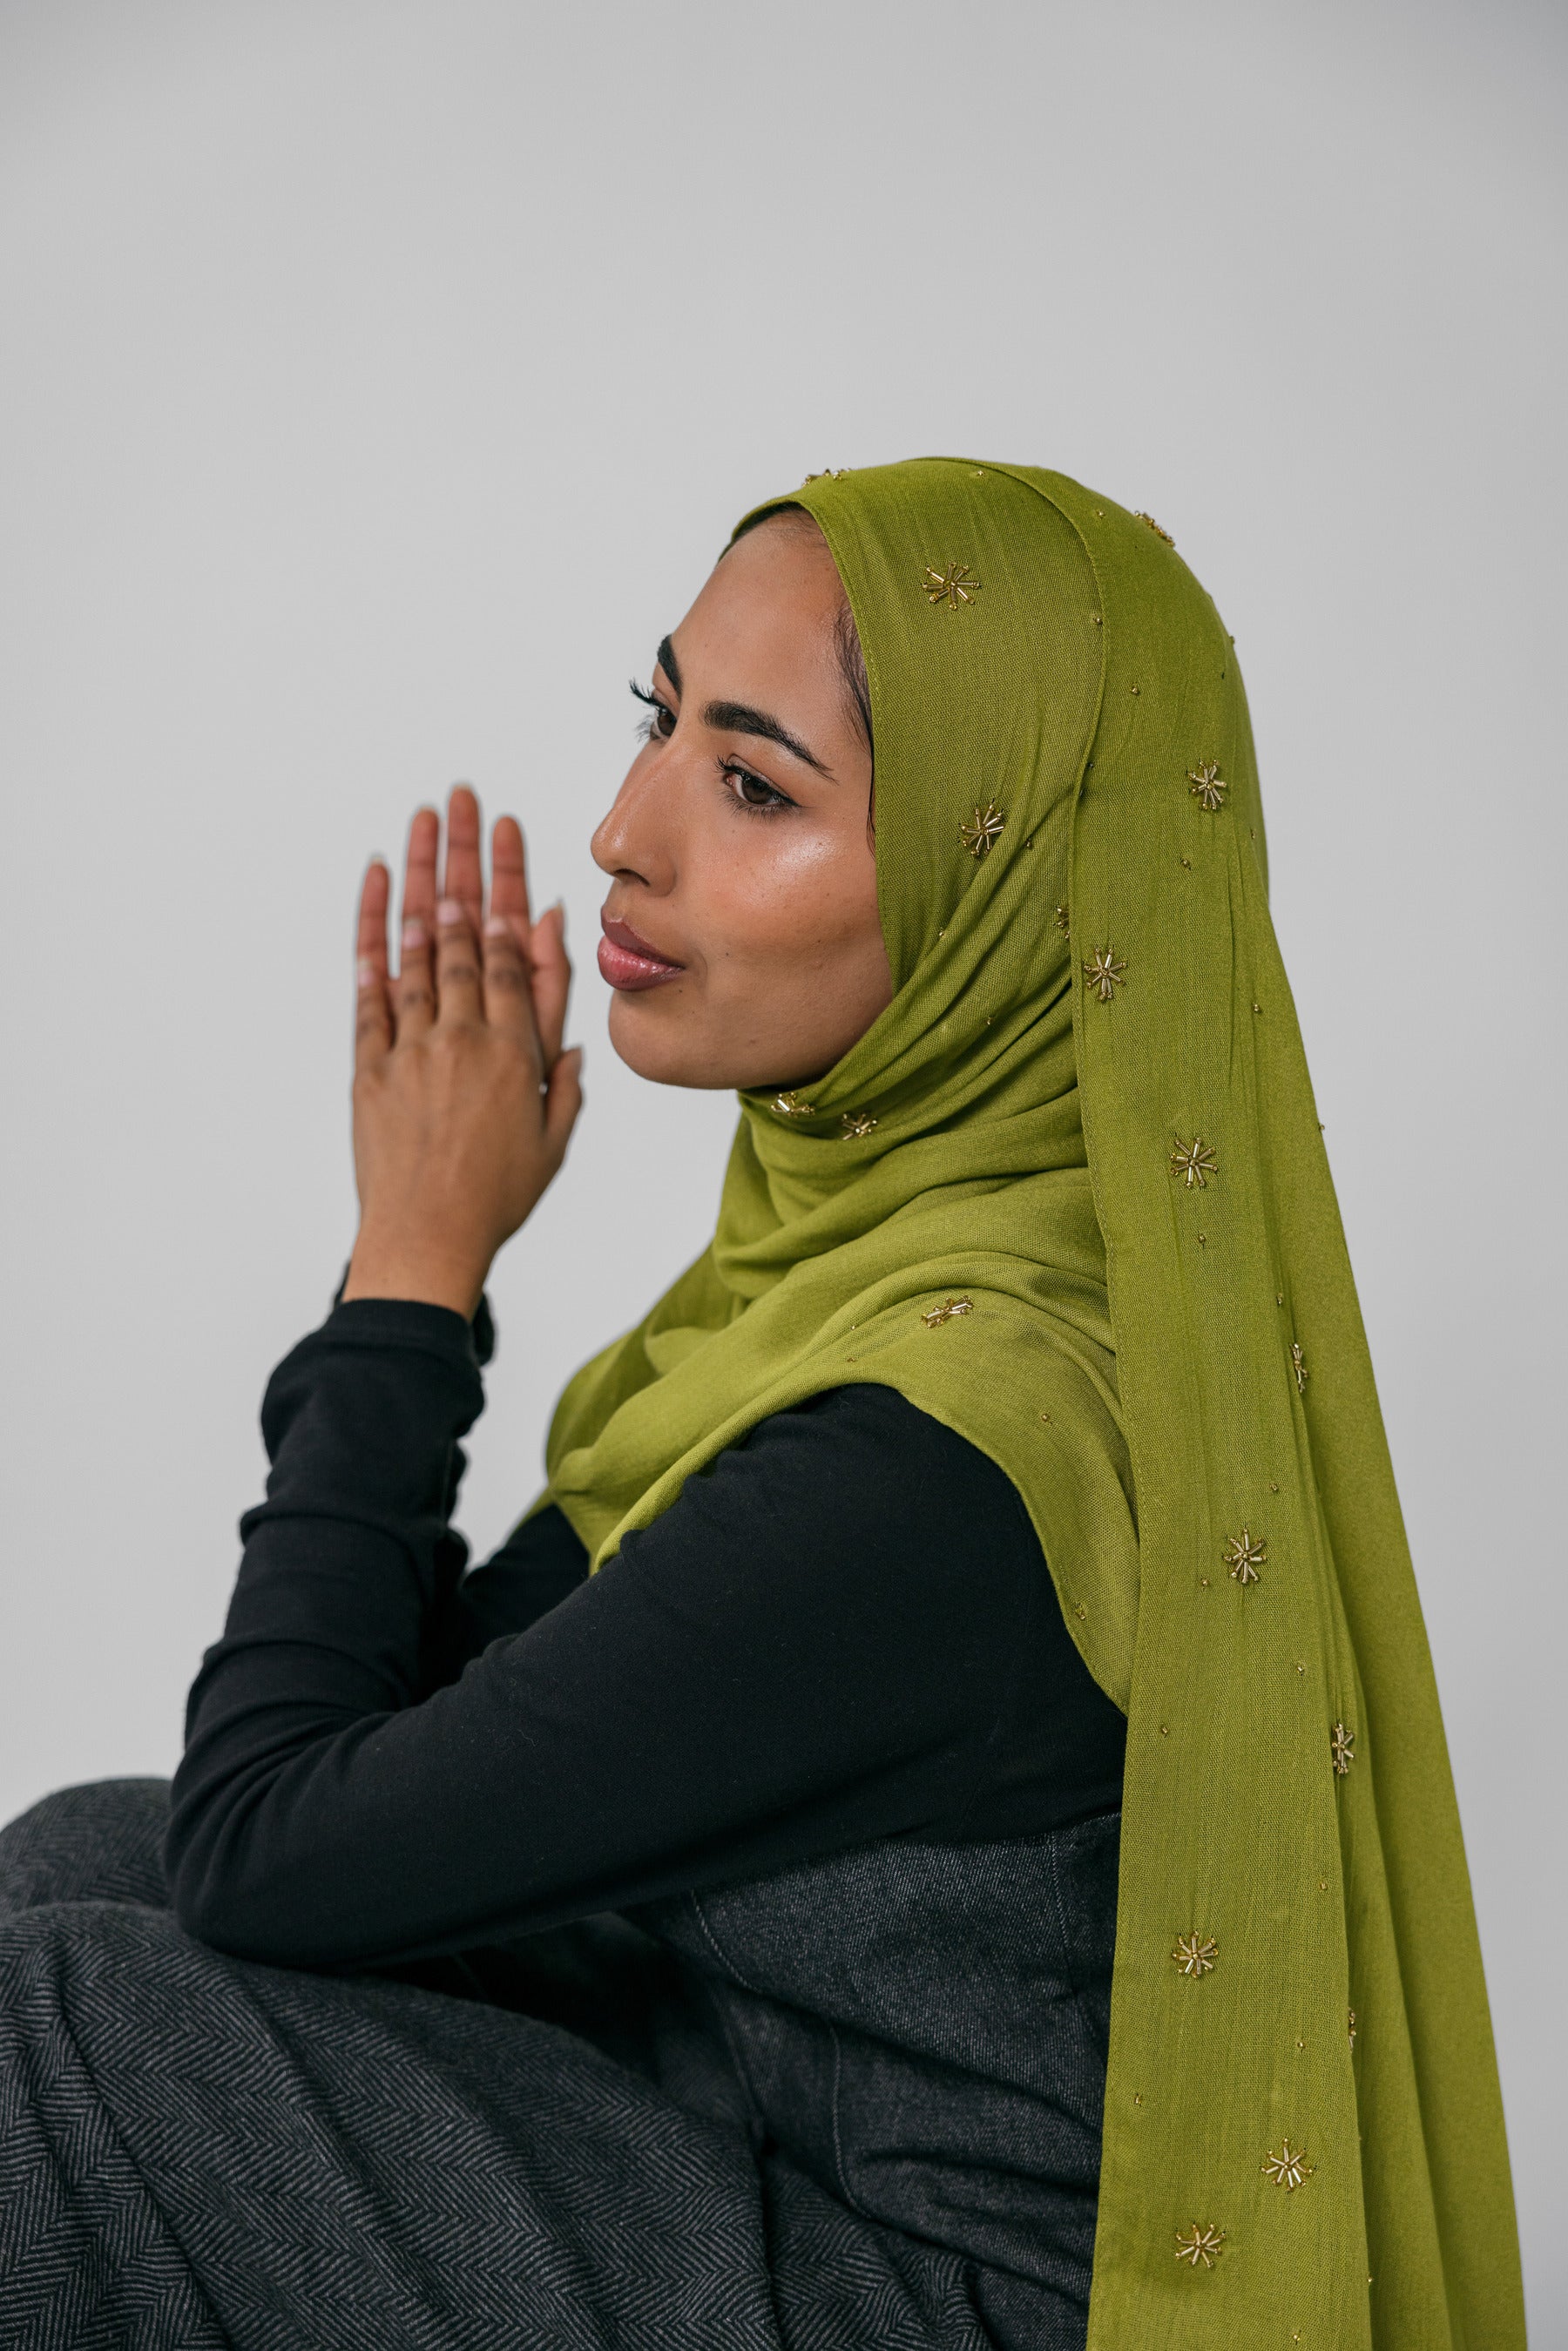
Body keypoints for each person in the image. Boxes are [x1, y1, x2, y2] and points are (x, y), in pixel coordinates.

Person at [0, 461, 1524, 2351]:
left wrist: (414, 1266)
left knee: (51, 2031)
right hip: (770, 2160)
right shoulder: (836, 1298)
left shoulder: (934, 1464)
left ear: (997, 887)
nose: (627, 834)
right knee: (84, 1864)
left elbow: (278, 1848)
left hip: (952, 2315)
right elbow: (403, 1769)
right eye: (657, 721)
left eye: (753, 783)